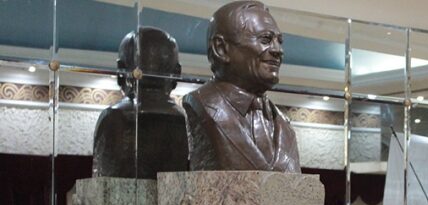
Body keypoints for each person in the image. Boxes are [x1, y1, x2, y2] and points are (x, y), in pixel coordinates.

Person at [183, 1, 300, 172]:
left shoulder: (283, 124)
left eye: (279, 41)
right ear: (221, 48)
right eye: (266, 39)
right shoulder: (205, 105)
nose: (278, 50)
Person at [92, 27, 188, 179]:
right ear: (176, 74)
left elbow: (101, 185)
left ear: (121, 71)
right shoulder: (188, 122)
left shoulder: (112, 119)